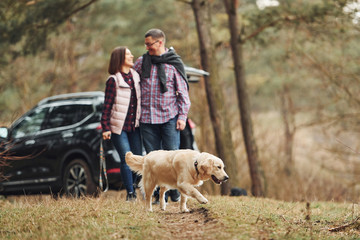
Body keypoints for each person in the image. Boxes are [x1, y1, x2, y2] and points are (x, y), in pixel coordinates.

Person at [133, 29, 191, 203]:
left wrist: (182, 117)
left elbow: (183, 93)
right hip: (147, 119)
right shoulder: (142, 62)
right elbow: (131, 82)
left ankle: (175, 192)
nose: (147, 47)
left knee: (174, 157)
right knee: (153, 160)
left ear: (160, 43)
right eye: (146, 44)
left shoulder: (173, 63)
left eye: (149, 44)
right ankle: (157, 196)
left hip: (169, 117)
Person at [101, 46, 142, 201]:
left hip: (135, 127)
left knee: (137, 160)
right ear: (120, 59)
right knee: (127, 158)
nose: (132, 56)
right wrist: (106, 127)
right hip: (119, 128)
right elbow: (107, 106)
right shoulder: (113, 80)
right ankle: (130, 193)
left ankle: (138, 186)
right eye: (128, 54)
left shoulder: (136, 77)